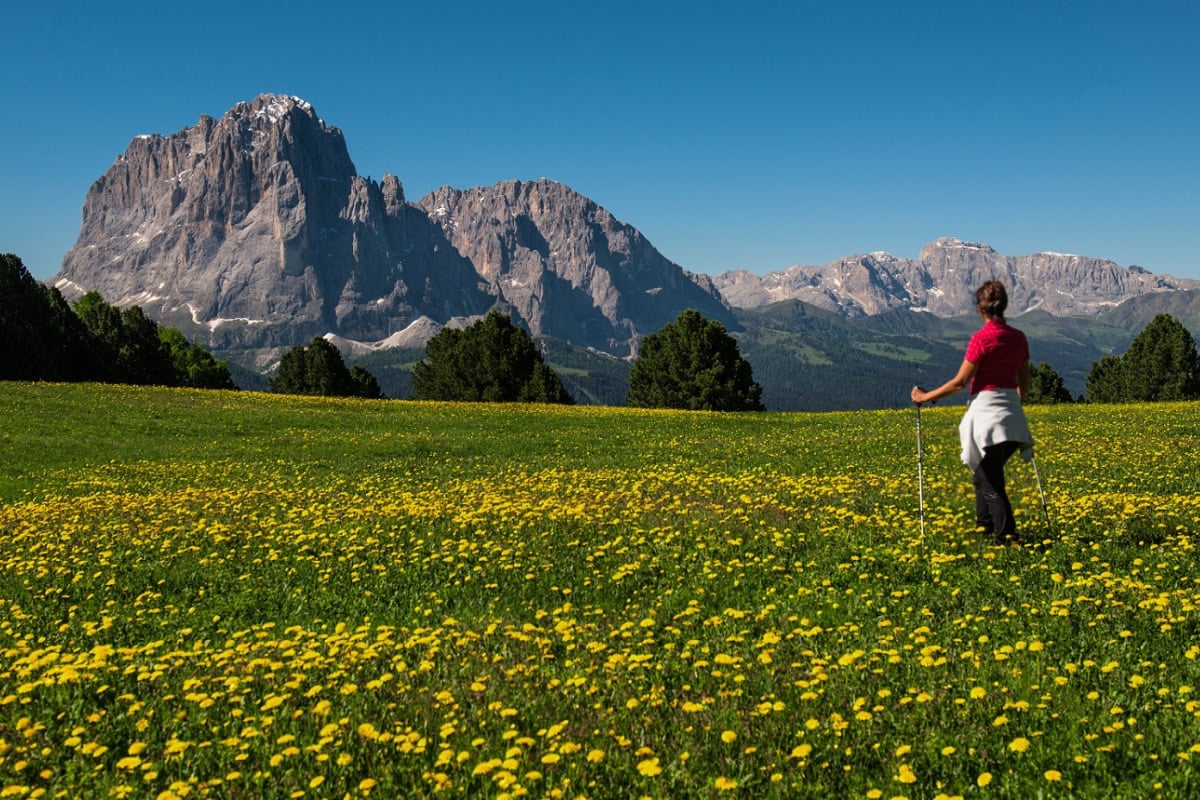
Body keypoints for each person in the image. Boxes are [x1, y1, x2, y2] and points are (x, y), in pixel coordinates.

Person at [911, 281, 1034, 543]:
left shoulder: (982, 339)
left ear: (980, 308)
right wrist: (1014, 405)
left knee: (987, 479)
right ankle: (984, 527)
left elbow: (960, 383)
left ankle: (1007, 536)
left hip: (986, 416)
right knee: (985, 473)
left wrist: (925, 397)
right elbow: (1025, 383)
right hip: (1012, 415)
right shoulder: (1018, 338)